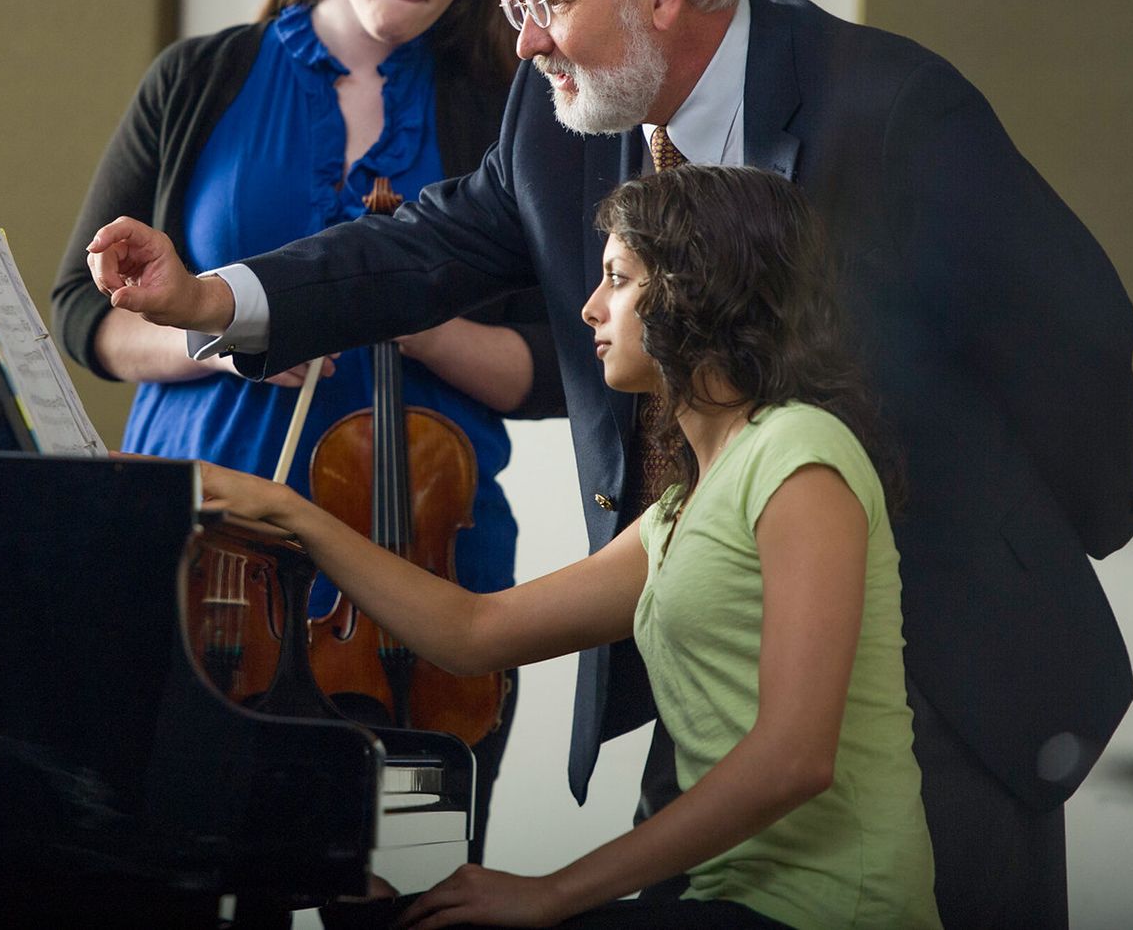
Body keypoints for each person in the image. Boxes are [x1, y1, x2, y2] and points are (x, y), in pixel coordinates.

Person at [86, 0, 1133, 927]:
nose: (528, 39)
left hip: (947, 664)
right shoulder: (563, 122)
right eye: (515, 10)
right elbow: (424, 247)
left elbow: (1074, 328)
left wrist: (1037, 527)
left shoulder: (892, 107)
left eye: (545, 1)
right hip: (694, 642)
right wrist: (213, 301)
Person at [204, 166, 940, 930]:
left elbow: (795, 757)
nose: (589, 308)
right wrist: (294, 513)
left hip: (831, 910)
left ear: (698, 292)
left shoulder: (799, 451)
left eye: (617, 280)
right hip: (732, 900)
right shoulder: (679, 510)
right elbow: (473, 633)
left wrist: (551, 890)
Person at [51, 0, 562, 860]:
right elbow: (82, 312)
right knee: (159, 863)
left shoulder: (507, 106)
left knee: (406, 879)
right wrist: (222, 332)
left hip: (424, 555)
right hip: (205, 542)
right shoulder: (202, 77)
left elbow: (553, 366)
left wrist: (407, 317)